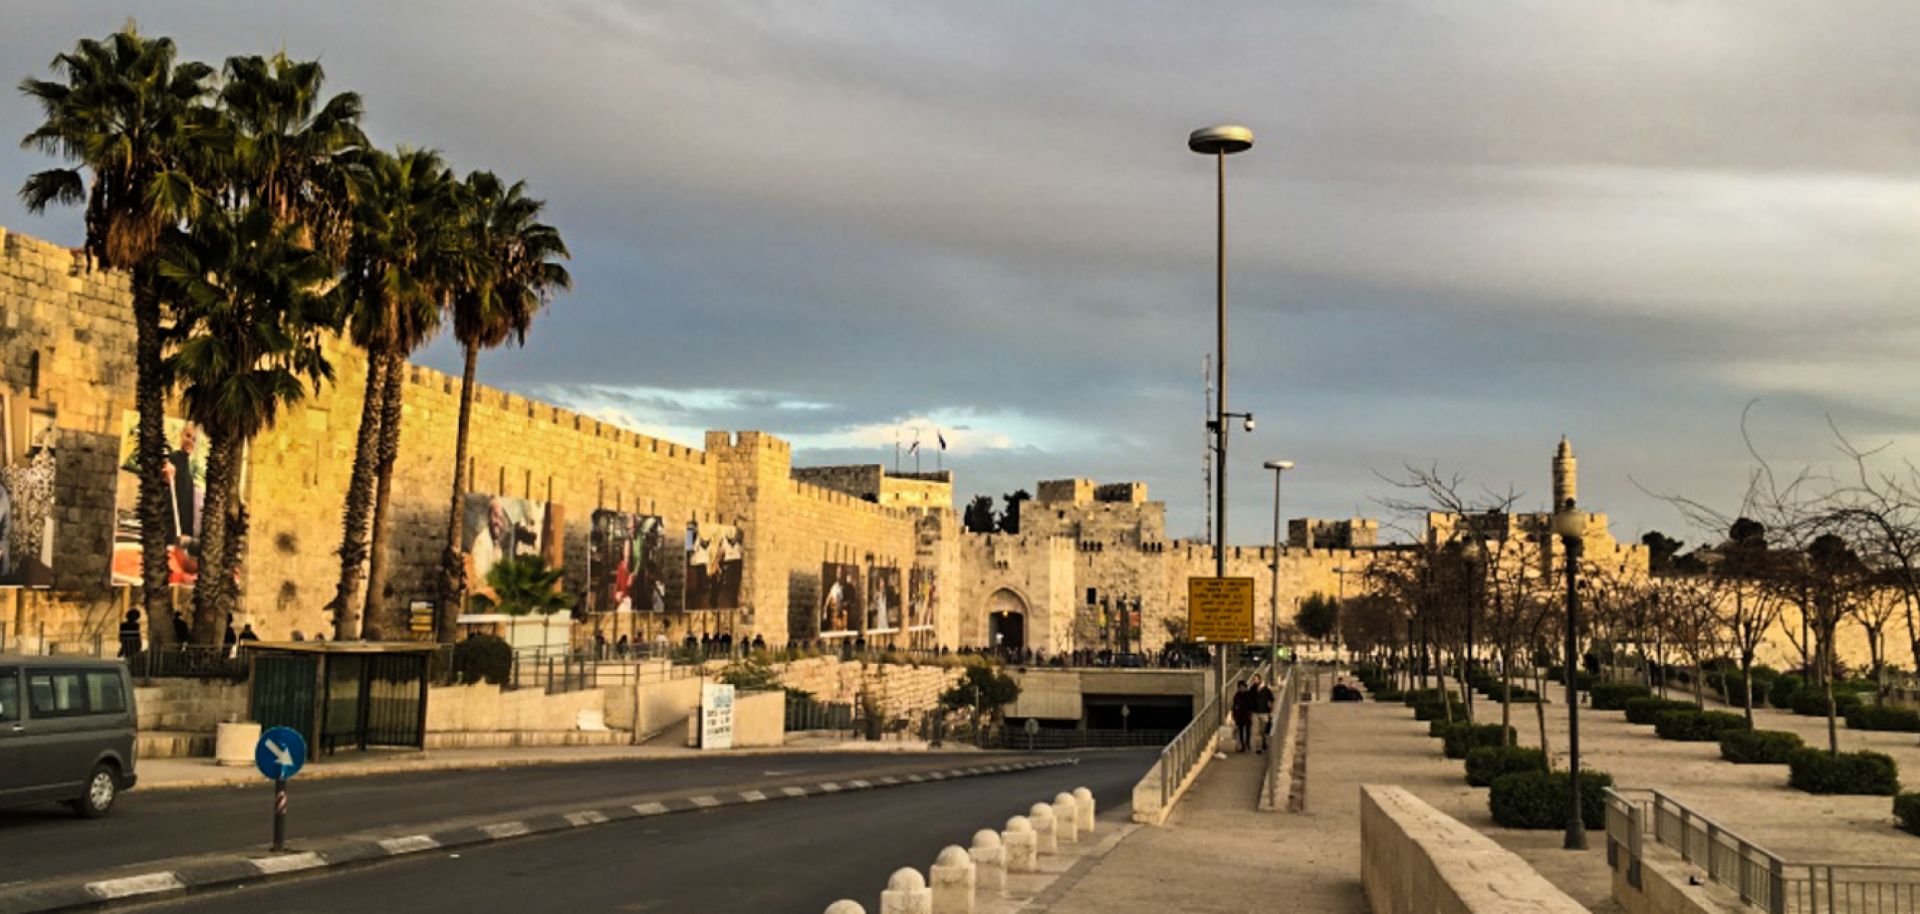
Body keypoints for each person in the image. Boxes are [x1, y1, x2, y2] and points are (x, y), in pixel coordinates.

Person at [1249, 674, 1275, 753]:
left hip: (1264, 713)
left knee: (1263, 731)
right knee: (1256, 731)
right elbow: (1249, 700)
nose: (1255, 681)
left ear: (1260, 680)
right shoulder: (1252, 689)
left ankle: (1264, 742)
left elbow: (1272, 700)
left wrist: (1271, 712)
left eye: (1256, 679)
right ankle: (1258, 747)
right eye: (1254, 679)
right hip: (1255, 713)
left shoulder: (1266, 690)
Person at [1230, 682, 1253, 753]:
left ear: (1245, 687)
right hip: (1239, 715)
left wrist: (1251, 713)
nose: (1241, 688)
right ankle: (1243, 746)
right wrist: (1233, 714)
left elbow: (1251, 704)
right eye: (1240, 687)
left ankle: (1248, 743)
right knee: (1241, 731)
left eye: (1243, 687)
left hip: (1247, 715)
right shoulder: (1237, 695)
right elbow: (1234, 705)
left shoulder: (1249, 694)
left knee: (1248, 730)